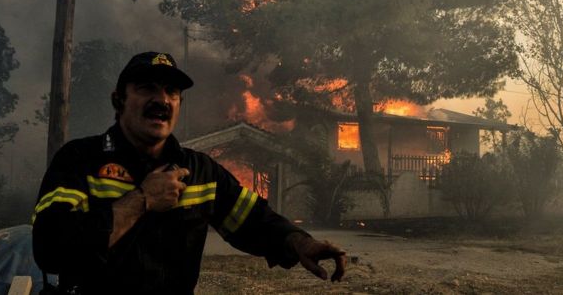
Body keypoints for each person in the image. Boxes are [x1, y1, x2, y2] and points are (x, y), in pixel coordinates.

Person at [32, 52, 346, 294]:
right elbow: (51, 248)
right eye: (146, 88)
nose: (161, 99)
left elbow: (253, 220)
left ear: (179, 104)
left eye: (172, 91)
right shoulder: (79, 159)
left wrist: (300, 243)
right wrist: (142, 199)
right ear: (119, 100)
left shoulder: (201, 172)